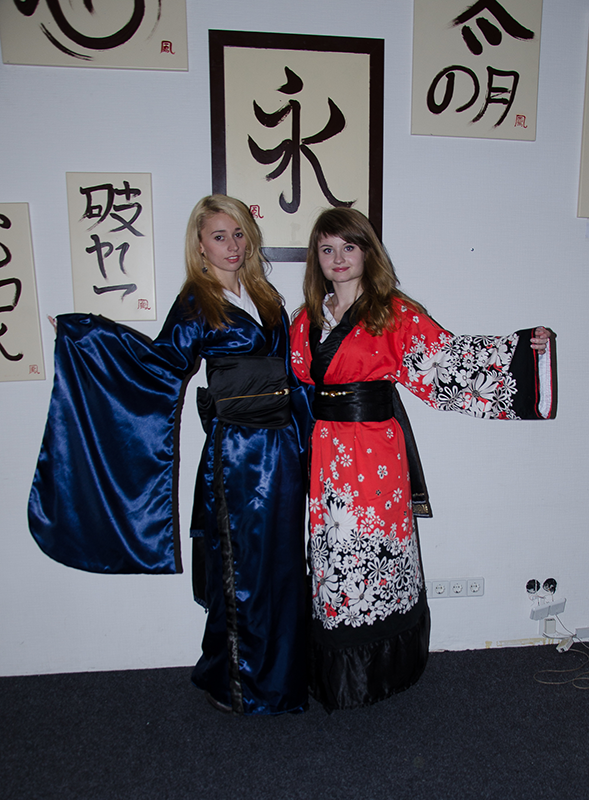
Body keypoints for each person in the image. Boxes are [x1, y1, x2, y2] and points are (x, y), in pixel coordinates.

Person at [29, 195, 311, 715]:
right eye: (219, 236)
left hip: (282, 446)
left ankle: (284, 674)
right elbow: (158, 365)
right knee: (243, 567)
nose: (232, 245)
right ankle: (241, 684)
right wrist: (89, 337)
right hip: (238, 454)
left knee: (284, 561)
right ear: (200, 246)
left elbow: (290, 369)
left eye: (239, 233)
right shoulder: (196, 303)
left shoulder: (265, 295)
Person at [290, 207, 554, 712]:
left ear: (367, 252)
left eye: (349, 247)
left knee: (380, 547)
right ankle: (339, 671)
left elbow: (448, 362)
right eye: (327, 249)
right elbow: (292, 379)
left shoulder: (392, 313)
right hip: (328, 454)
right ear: (315, 258)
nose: (338, 258)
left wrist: (524, 350)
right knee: (332, 555)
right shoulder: (305, 320)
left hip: (376, 450)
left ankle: (385, 669)